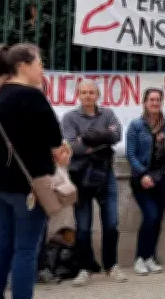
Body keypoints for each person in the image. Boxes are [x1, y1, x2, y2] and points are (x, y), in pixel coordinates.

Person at [0, 43, 66, 299]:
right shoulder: (32, 96)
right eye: (40, 63)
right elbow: (55, 139)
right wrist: (62, 151)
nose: (43, 69)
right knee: (26, 249)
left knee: (2, 245)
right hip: (28, 185)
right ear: (23, 66)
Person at [62, 79, 127, 286]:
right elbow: (71, 146)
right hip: (80, 177)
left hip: (105, 175)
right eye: (84, 92)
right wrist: (102, 139)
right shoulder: (69, 117)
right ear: (78, 95)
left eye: (91, 92)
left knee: (111, 224)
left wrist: (87, 139)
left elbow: (117, 136)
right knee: (82, 227)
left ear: (98, 95)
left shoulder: (107, 113)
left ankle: (111, 266)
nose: (88, 96)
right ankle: (85, 268)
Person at [126, 88, 165, 276]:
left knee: (157, 220)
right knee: (151, 216)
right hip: (142, 180)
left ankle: (150, 257)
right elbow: (131, 154)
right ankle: (139, 258)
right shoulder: (136, 125)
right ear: (145, 103)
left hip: (163, 178)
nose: (155, 103)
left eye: (158, 100)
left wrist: (164, 142)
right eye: (151, 100)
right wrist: (143, 174)